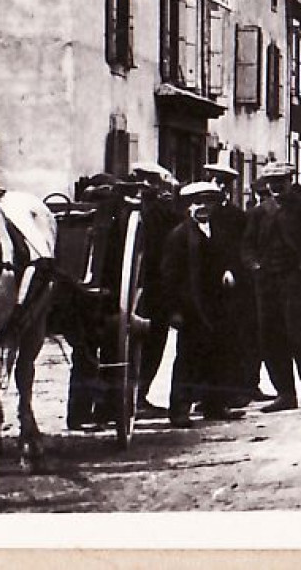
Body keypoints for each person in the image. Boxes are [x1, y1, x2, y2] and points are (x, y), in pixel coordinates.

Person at [242, 161, 301, 416]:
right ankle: (285, 393)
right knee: (271, 339)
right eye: (272, 182)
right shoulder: (259, 212)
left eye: (282, 180)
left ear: (290, 181)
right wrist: (255, 266)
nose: (277, 186)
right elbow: (247, 247)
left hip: (297, 283)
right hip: (267, 285)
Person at [158, 182, 243, 427]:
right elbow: (169, 276)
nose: (202, 207)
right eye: (197, 202)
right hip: (191, 306)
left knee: (218, 353)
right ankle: (179, 409)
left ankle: (215, 404)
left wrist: (229, 271)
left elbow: (229, 258)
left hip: (218, 304)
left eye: (207, 202)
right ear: (188, 206)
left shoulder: (219, 232)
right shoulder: (179, 235)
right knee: (188, 357)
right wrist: (174, 309)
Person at [202, 158, 267, 405]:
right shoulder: (199, 216)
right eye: (213, 183)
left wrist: (235, 270)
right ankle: (207, 391)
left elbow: (243, 248)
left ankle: (244, 386)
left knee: (241, 336)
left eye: (222, 184)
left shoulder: (236, 216)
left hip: (235, 285)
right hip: (207, 287)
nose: (217, 188)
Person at [128, 162, 180, 419]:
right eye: (143, 180)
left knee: (153, 341)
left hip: (154, 285)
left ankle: (140, 395)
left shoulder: (159, 210)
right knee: (149, 341)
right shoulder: (145, 209)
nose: (146, 186)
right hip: (143, 285)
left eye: (151, 181)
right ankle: (135, 397)